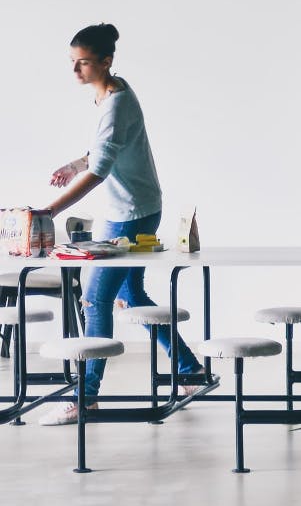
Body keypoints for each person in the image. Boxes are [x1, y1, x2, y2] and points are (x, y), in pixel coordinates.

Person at [34, 23, 205, 425]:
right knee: (131, 293)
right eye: (73, 63)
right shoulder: (110, 92)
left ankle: (86, 396)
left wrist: (50, 212)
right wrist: (74, 163)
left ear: (106, 62)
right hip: (130, 209)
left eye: (84, 63)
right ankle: (190, 369)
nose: (75, 70)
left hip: (132, 213)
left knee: (95, 299)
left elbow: (99, 170)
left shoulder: (115, 102)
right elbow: (102, 150)